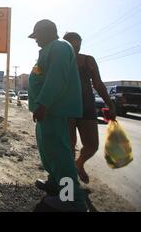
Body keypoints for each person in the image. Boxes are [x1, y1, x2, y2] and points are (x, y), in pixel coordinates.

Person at [28, 19, 87, 212]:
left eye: (37, 36)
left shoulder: (60, 47)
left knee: (60, 155)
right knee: (49, 151)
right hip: (47, 111)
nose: (35, 40)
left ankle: (71, 200)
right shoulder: (49, 49)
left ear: (47, 32)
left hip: (55, 109)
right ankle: (55, 183)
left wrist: (43, 103)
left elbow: (56, 77)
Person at [63, 32, 116, 184]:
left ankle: (79, 163)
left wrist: (109, 103)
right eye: (72, 44)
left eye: (78, 44)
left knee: (92, 145)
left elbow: (98, 83)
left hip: (87, 106)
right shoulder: (60, 60)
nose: (76, 48)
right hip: (66, 108)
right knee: (69, 147)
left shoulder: (88, 60)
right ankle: (68, 185)